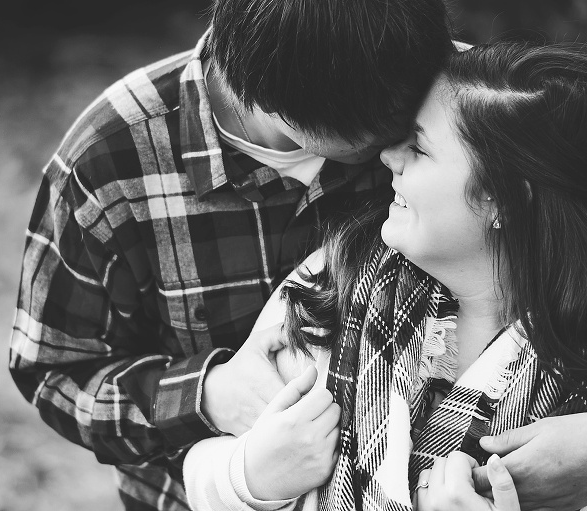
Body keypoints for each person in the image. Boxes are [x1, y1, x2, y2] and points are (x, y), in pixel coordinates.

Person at [8, 1, 455, 509]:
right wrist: (206, 395)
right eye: (381, 128)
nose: (398, 139)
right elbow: (55, 373)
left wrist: (569, 436)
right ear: (279, 95)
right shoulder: (109, 159)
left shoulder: (456, 99)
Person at [183, 41, 587, 511]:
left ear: (503, 199)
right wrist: (251, 475)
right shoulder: (335, 283)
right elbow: (201, 476)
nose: (387, 157)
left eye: (417, 147)